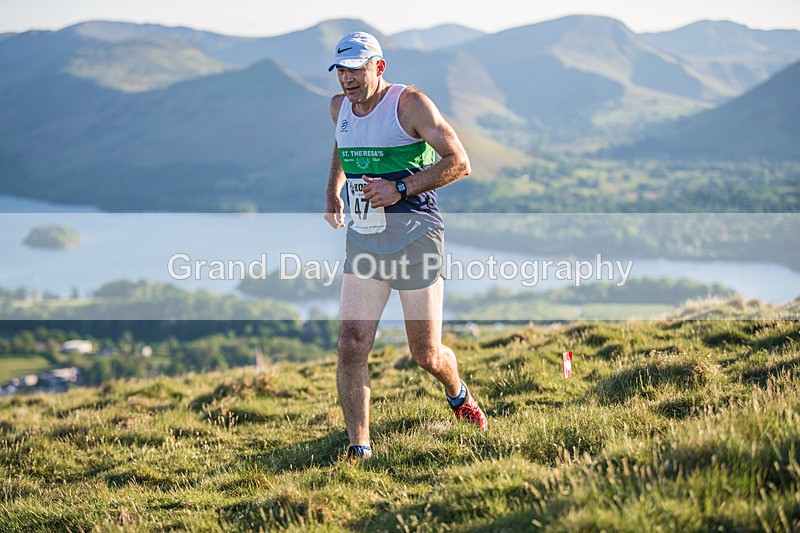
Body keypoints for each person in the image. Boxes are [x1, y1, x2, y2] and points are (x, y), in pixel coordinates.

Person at [323, 31, 487, 459]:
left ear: (378, 67)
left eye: (356, 70)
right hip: (365, 237)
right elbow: (343, 144)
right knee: (351, 342)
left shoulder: (409, 104)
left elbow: (460, 162)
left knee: (426, 354)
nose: (347, 79)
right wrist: (333, 192)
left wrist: (399, 188)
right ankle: (359, 448)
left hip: (416, 235)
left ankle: (458, 393)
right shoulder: (339, 106)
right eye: (341, 71)